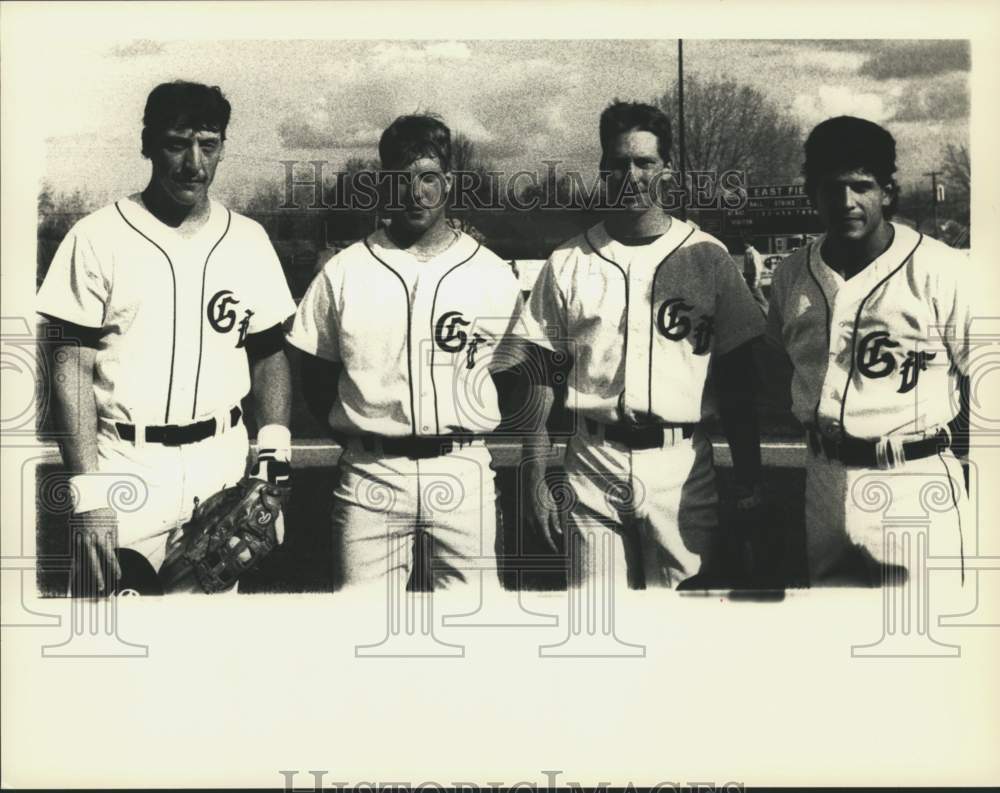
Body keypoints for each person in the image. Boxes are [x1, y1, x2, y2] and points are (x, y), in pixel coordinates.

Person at [37, 81, 296, 595]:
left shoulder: (248, 240)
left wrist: (273, 457)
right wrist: (89, 493)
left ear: (222, 147)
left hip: (221, 465)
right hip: (127, 465)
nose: (194, 164)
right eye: (178, 144)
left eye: (209, 145)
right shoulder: (97, 236)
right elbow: (71, 367)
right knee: (116, 630)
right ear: (148, 145)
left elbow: (269, 356)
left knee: (209, 636)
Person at [513, 100, 766, 589]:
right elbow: (539, 379)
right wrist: (534, 473)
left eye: (644, 162)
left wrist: (750, 479)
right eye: (619, 163)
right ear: (603, 169)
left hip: (681, 463)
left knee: (682, 618)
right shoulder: (568, 260)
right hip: (592, 459)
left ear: (666, 169)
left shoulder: (707, 258)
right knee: (598, 619)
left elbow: (738, 379)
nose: (631, 175)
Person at [286, 114, 524, 591]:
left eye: (428, 178)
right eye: (402, 178)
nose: (416, 193)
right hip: (372, 471)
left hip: (461, 466)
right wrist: (363, 432)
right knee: (361, 620)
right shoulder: (344, 270)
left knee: (472, 620)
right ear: (383, 183)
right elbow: (315, 376)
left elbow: (513, 376)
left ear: (448, 182)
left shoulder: (490, 272)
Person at [765, 116, 972, 586]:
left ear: (888, 192)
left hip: (913, 477)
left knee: (919, 625)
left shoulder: (941, 268)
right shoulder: (791, 273)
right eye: (831, 188)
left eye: (861, 186)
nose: (846, 202)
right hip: (823, 478)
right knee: (835, 623)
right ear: (811, 194)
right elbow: (778, 364)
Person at [742, 236, 769, 313]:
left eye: (745, 242)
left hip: (753, 278)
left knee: (760, 298)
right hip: (748, 278)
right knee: (748, 298)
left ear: (748, 243)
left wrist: (756, 281)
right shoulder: (747, 252)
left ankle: (768, 314)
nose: (743, 244)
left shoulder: (754, 253)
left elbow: (758, 268)